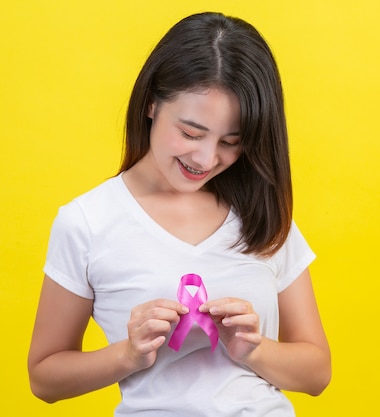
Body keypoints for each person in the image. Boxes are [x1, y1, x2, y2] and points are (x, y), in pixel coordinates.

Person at [28, 12, 331, 417]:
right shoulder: (87, 221)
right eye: (190, 133)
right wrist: (129, 355)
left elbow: (317, 373)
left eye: (231, 141)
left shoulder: (262, 213)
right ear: (152, 102)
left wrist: (252, 349)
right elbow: (44, 378)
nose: (206, 159)